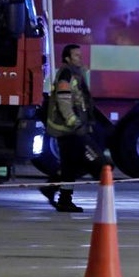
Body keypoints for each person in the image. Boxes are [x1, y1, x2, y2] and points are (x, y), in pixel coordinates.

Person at [42, 43, 104, 213]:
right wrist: (74, 122)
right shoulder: (66, 74)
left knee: (71, 165)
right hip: (69, 129)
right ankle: (59, 194)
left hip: (75, 128)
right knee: (83, 164)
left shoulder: (76, 73)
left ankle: (58, 194)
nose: (80, 57)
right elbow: (63, 102)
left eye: (80, 54)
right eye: (76, 55)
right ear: (67, 58)